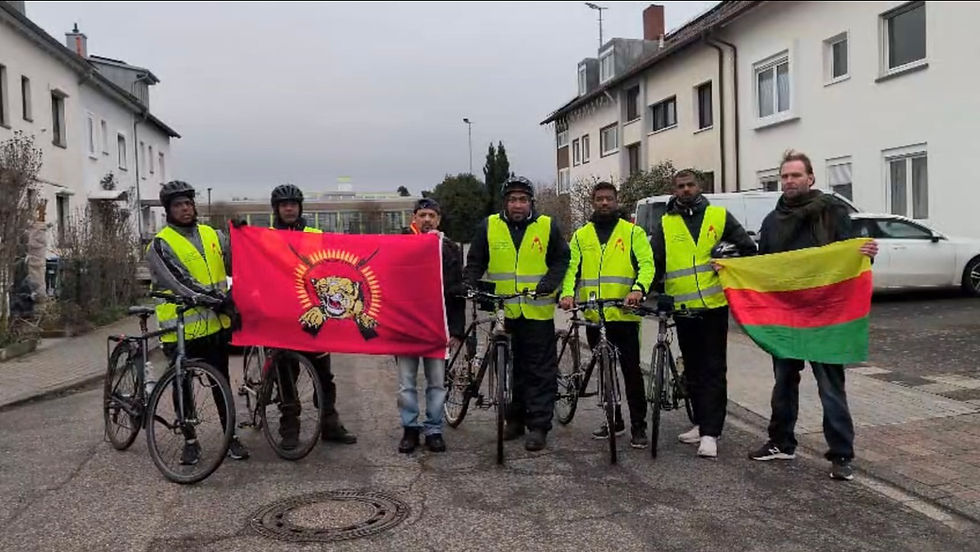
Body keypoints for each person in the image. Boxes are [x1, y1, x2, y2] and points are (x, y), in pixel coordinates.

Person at [748, 150, 878, 481]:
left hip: (825, 316)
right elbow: (764, 269)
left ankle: (842, 455)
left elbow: (849, 256)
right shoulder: (771, 221)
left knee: (831, 388)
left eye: (796, 175)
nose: (789, 181)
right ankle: (781, 442)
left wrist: (864, 254)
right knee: (783, 383)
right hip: (786, 317)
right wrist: (733, 270)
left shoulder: (831, 212)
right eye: (785, 176)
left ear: (811, 178)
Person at [649, 169, 757, 458]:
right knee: (693, 371)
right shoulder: (665, 223)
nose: (685, 190)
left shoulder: (719, 217)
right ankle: (699, 422)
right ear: (674, 190)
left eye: (690, 185)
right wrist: (645, 294)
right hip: (683, 310)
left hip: (713, 308)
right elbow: (655, 264)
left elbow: (748, 249)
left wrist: (728, 255)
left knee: (713, 370)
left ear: (700, 187)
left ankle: (711, 432)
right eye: (680, 186)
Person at [463, 176, 570, 451]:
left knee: (539, 370)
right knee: (508, 369)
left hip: (537, 312)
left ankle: (538, 425)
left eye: (523, 199)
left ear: (531, 202)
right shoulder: (489, 226)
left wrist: (549, 283)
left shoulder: (547, 226)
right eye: (512, 200)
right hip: (503, 310)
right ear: (505, 203)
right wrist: (470, 283)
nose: (517, 204)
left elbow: (561, 259)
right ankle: (514, 419)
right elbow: (475, 261)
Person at [146, 180, 248, 465]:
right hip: (179, 329)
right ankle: (190, 441)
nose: (185, 209)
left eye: (188, 204)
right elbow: (180, 283)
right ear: (168, 210)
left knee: (222, 384)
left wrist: (244, 235)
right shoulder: (160, 244)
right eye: (178, 205)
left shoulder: (212, 235)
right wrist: (220, 300)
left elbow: (237, 261)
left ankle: (231, 437)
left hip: (214, 327)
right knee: (183, 387)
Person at [559, 181, 654, 448]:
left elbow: (647, 266)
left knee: (631, 373)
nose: (604, 203)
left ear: (616, 200)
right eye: (599, 199)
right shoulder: (580, 236)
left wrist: (637, 290)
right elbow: (571, 270)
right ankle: (613, 420)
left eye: (609, 199)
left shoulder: (632, 232)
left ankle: (638, 426)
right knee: (604, 372)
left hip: (624, 315)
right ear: (593, 201)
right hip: (594, 316)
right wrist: (567, 294)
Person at [268, 183, 357, 446]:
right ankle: (289, 427)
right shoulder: (265, 236)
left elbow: (333, 263)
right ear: (276, 209)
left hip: (314, 316)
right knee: (286, 376)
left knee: (323, 376)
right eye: (284, 204)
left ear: (300, 207)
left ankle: (330, 423)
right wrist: (239, 233)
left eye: (293, 204)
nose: (289, 208)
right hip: (281, 318)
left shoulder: (317, 234)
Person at [395, 198, 466, 453]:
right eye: (422, 215)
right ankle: (410, 429)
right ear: (413, 218)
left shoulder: (449, 248)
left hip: (438, 326)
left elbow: (457, 290)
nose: (427, 220)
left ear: (439, 220)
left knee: (437, 382)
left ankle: (434, 429)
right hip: (407, 326)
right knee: (406, 383)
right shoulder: (400, 244)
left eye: (432, 216)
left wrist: (457, 330)